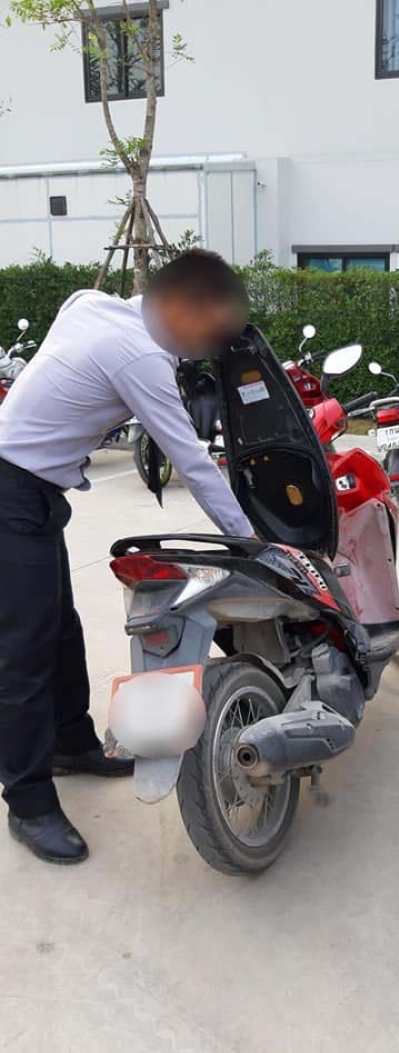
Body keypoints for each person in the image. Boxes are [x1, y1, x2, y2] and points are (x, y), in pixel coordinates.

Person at [0, 250, 255, 866]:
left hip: (32, 490)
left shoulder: (95, 306)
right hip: (9, 491)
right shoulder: (140, 357)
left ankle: (71, 744)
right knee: (22, 654)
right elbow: (193, 462)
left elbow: (71, 314)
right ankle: (28, 802)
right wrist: (251, 543)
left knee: (61, 630)